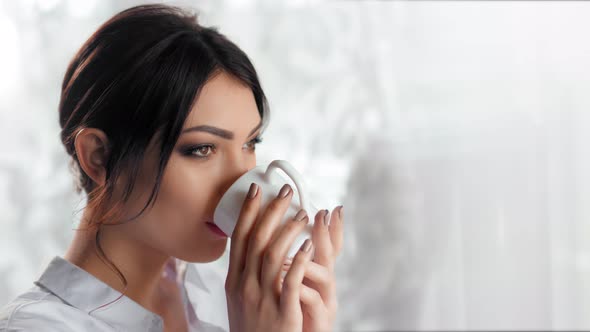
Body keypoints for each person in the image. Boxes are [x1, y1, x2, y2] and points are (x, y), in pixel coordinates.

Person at [0, 4, 343, 332]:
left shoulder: (227, 294)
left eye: (250, 143)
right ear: (98, 157)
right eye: (202, 149)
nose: (243, 181)